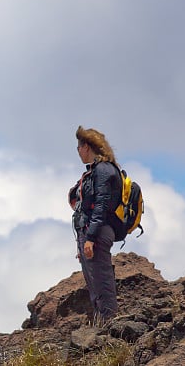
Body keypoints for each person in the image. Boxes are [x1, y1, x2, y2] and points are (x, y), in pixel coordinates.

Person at [68, 126, 121, 325]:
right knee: (94, 283)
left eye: (78, 147)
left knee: (102, 282)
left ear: (87, 147)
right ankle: (102, 326)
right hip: (91, 233)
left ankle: (110, 325)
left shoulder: (103, 170)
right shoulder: (97, 170)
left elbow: (101, 206)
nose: (78, 152)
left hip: (97, 233)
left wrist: (90, 238)